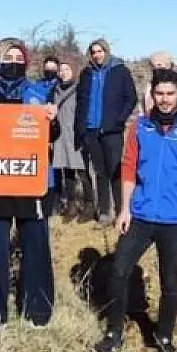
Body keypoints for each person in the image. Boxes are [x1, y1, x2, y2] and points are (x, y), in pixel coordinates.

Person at [91, 68, 177, 352]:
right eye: (160, 94)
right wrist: (125, 208)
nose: (165, 100)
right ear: (152, 95)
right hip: (142, 214)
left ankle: (164, 337)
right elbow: (129, 168)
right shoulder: (140, 127)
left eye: (170, 94)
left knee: (170, 281)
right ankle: (114, 333)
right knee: (119, 270)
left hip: (176, 218)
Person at [0, 38, 60, 329]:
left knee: (36, 245)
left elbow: (52, 135)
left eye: (19, 57)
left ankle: (37, 310)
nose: (14, 61)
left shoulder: (39, 93)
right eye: (8, 56)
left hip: (31, 180)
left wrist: (52, 119)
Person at [76, 37, 138, 226]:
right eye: (93, 52)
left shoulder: (119, 71)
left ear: (106, 51)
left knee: (115, 170)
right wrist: (82, 127)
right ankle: (104, 211)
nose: (97, 55)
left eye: (99, 51)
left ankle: (121, 209)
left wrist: (119, 120)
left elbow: (131, 98)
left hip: (112, 130)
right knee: (100, 172)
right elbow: (81, 100)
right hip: (91, 130)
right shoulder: (86, 73)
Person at [51, 59, 95, 222]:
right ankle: (71, 205)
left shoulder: (79, 89)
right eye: (61, 70)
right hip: (61, 136)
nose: (63, 73)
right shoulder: (54, 90)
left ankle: (89, 205)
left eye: (67, 69)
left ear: (74, 71)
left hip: (76, 134)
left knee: (82, 171)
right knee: (67, 171)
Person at [141, 50, 176, 116]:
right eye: (153, 66)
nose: (156, 68)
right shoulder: (149, 86)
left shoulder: (175, 86)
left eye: (159, 65)